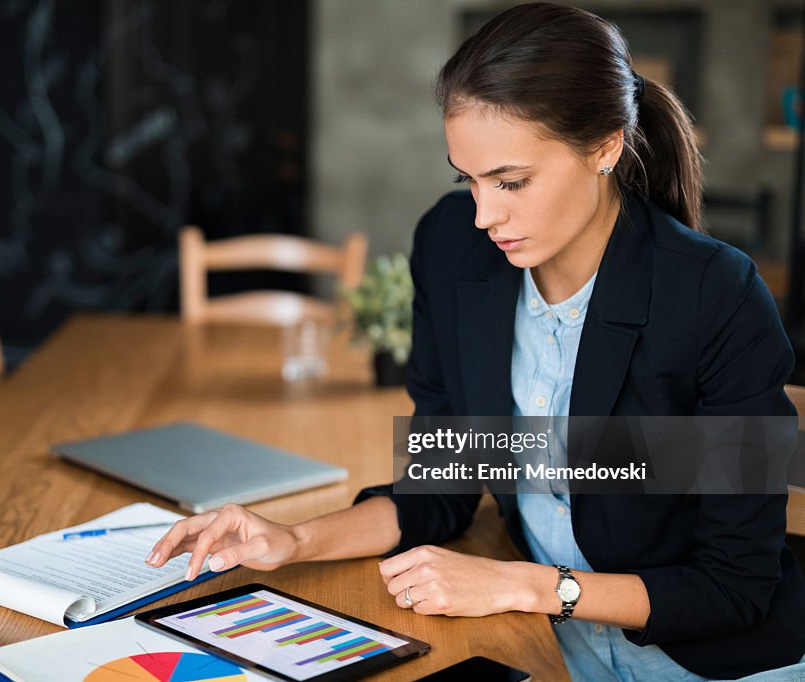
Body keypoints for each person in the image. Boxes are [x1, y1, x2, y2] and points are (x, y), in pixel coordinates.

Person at [146, 4, 805, 680]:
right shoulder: (454, 249)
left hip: (704, 656)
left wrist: (525, 584)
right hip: (547, 639)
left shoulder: (714, 294)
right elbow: (443, 486)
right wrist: (293, 539)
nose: (485, 215)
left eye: (512, 182)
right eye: (470, 179)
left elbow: (735, 588)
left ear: (604, 147)